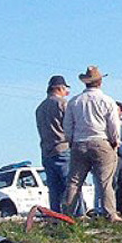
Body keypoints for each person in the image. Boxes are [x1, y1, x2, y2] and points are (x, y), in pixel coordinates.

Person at [62, 66, 122, 222]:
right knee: (105, 182)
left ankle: (66, 214)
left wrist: (71, 141)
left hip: (79, 143)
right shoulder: (108, 101)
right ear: (100, 82)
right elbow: (114, 125)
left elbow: (67, 126)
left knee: (74, 181)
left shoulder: (74, 102)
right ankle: (111, 214)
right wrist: (115, 141)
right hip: (101, 141)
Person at [35, 75, 71, 212]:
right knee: (71, 186)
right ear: (60, 88)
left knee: (54, 190)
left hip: (46, 152)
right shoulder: (62, 104)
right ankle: (75, 217)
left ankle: (55, 218)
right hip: (63, 148)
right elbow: (70, 126)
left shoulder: (39, 108)